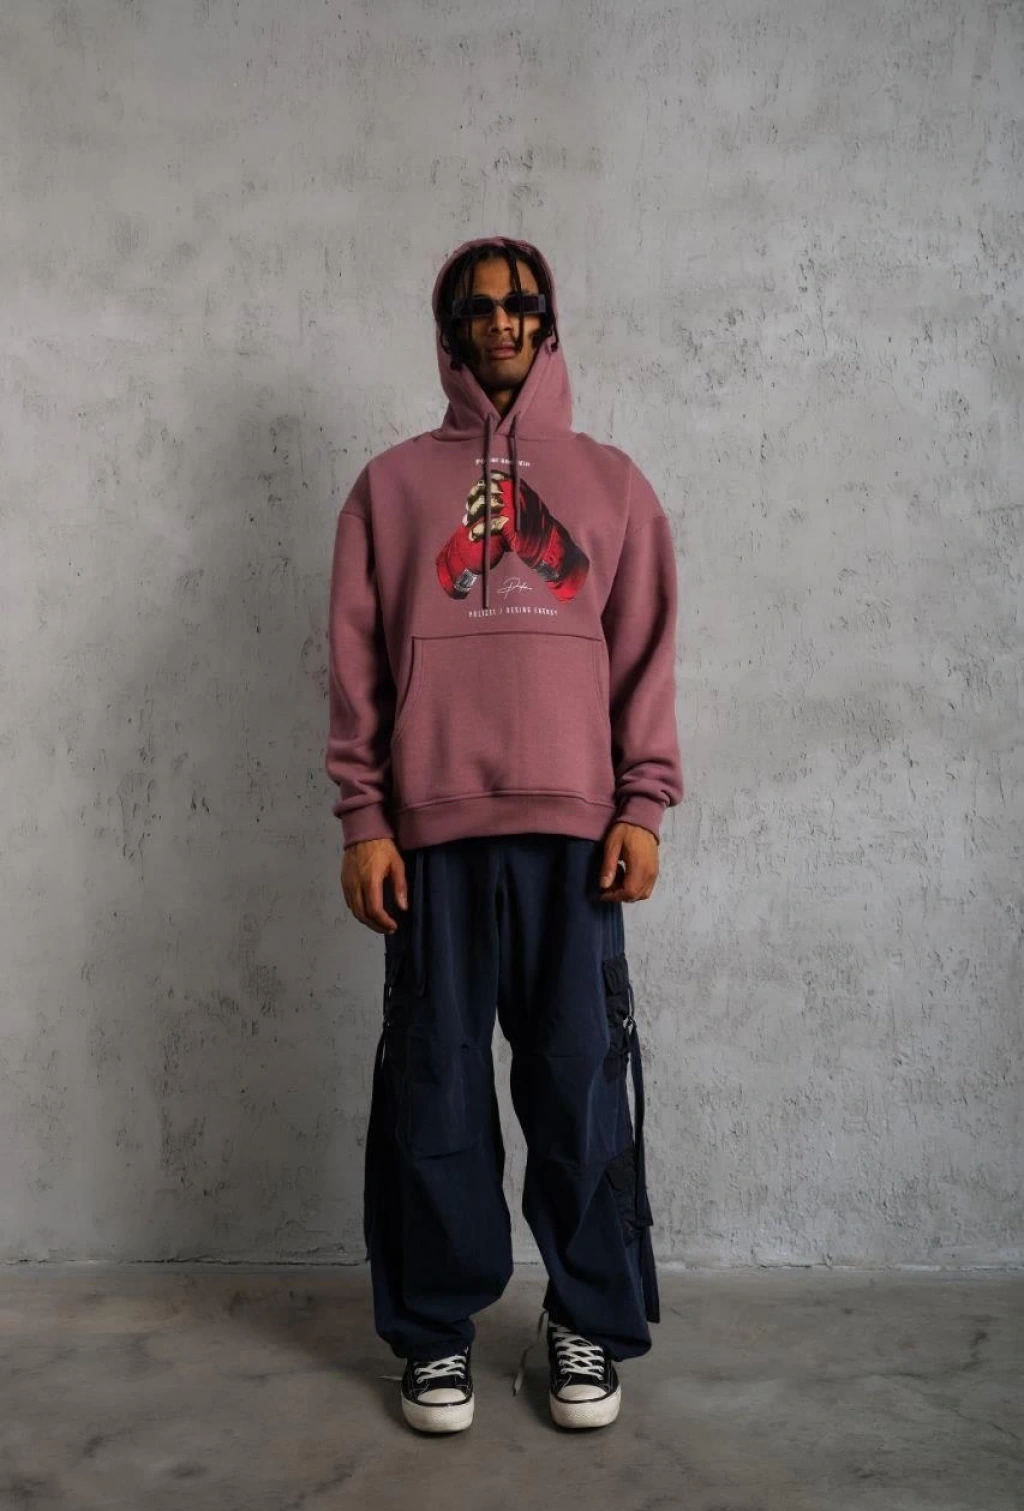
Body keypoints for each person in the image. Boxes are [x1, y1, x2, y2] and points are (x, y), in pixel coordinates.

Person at [326, 235, 683, 1434]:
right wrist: (365, 819)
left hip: (574, 838)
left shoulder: (612, 482)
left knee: (578, 1086)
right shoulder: (390, 487)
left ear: (548, 320)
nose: (501, 320)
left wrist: (642, 804)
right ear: (448, 328)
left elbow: (644, 661)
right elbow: (357, 673)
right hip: (429, 835)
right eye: (477, 306)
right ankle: (435, 1329)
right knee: (434, 1086)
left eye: (520, 303)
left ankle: (586, 1318)